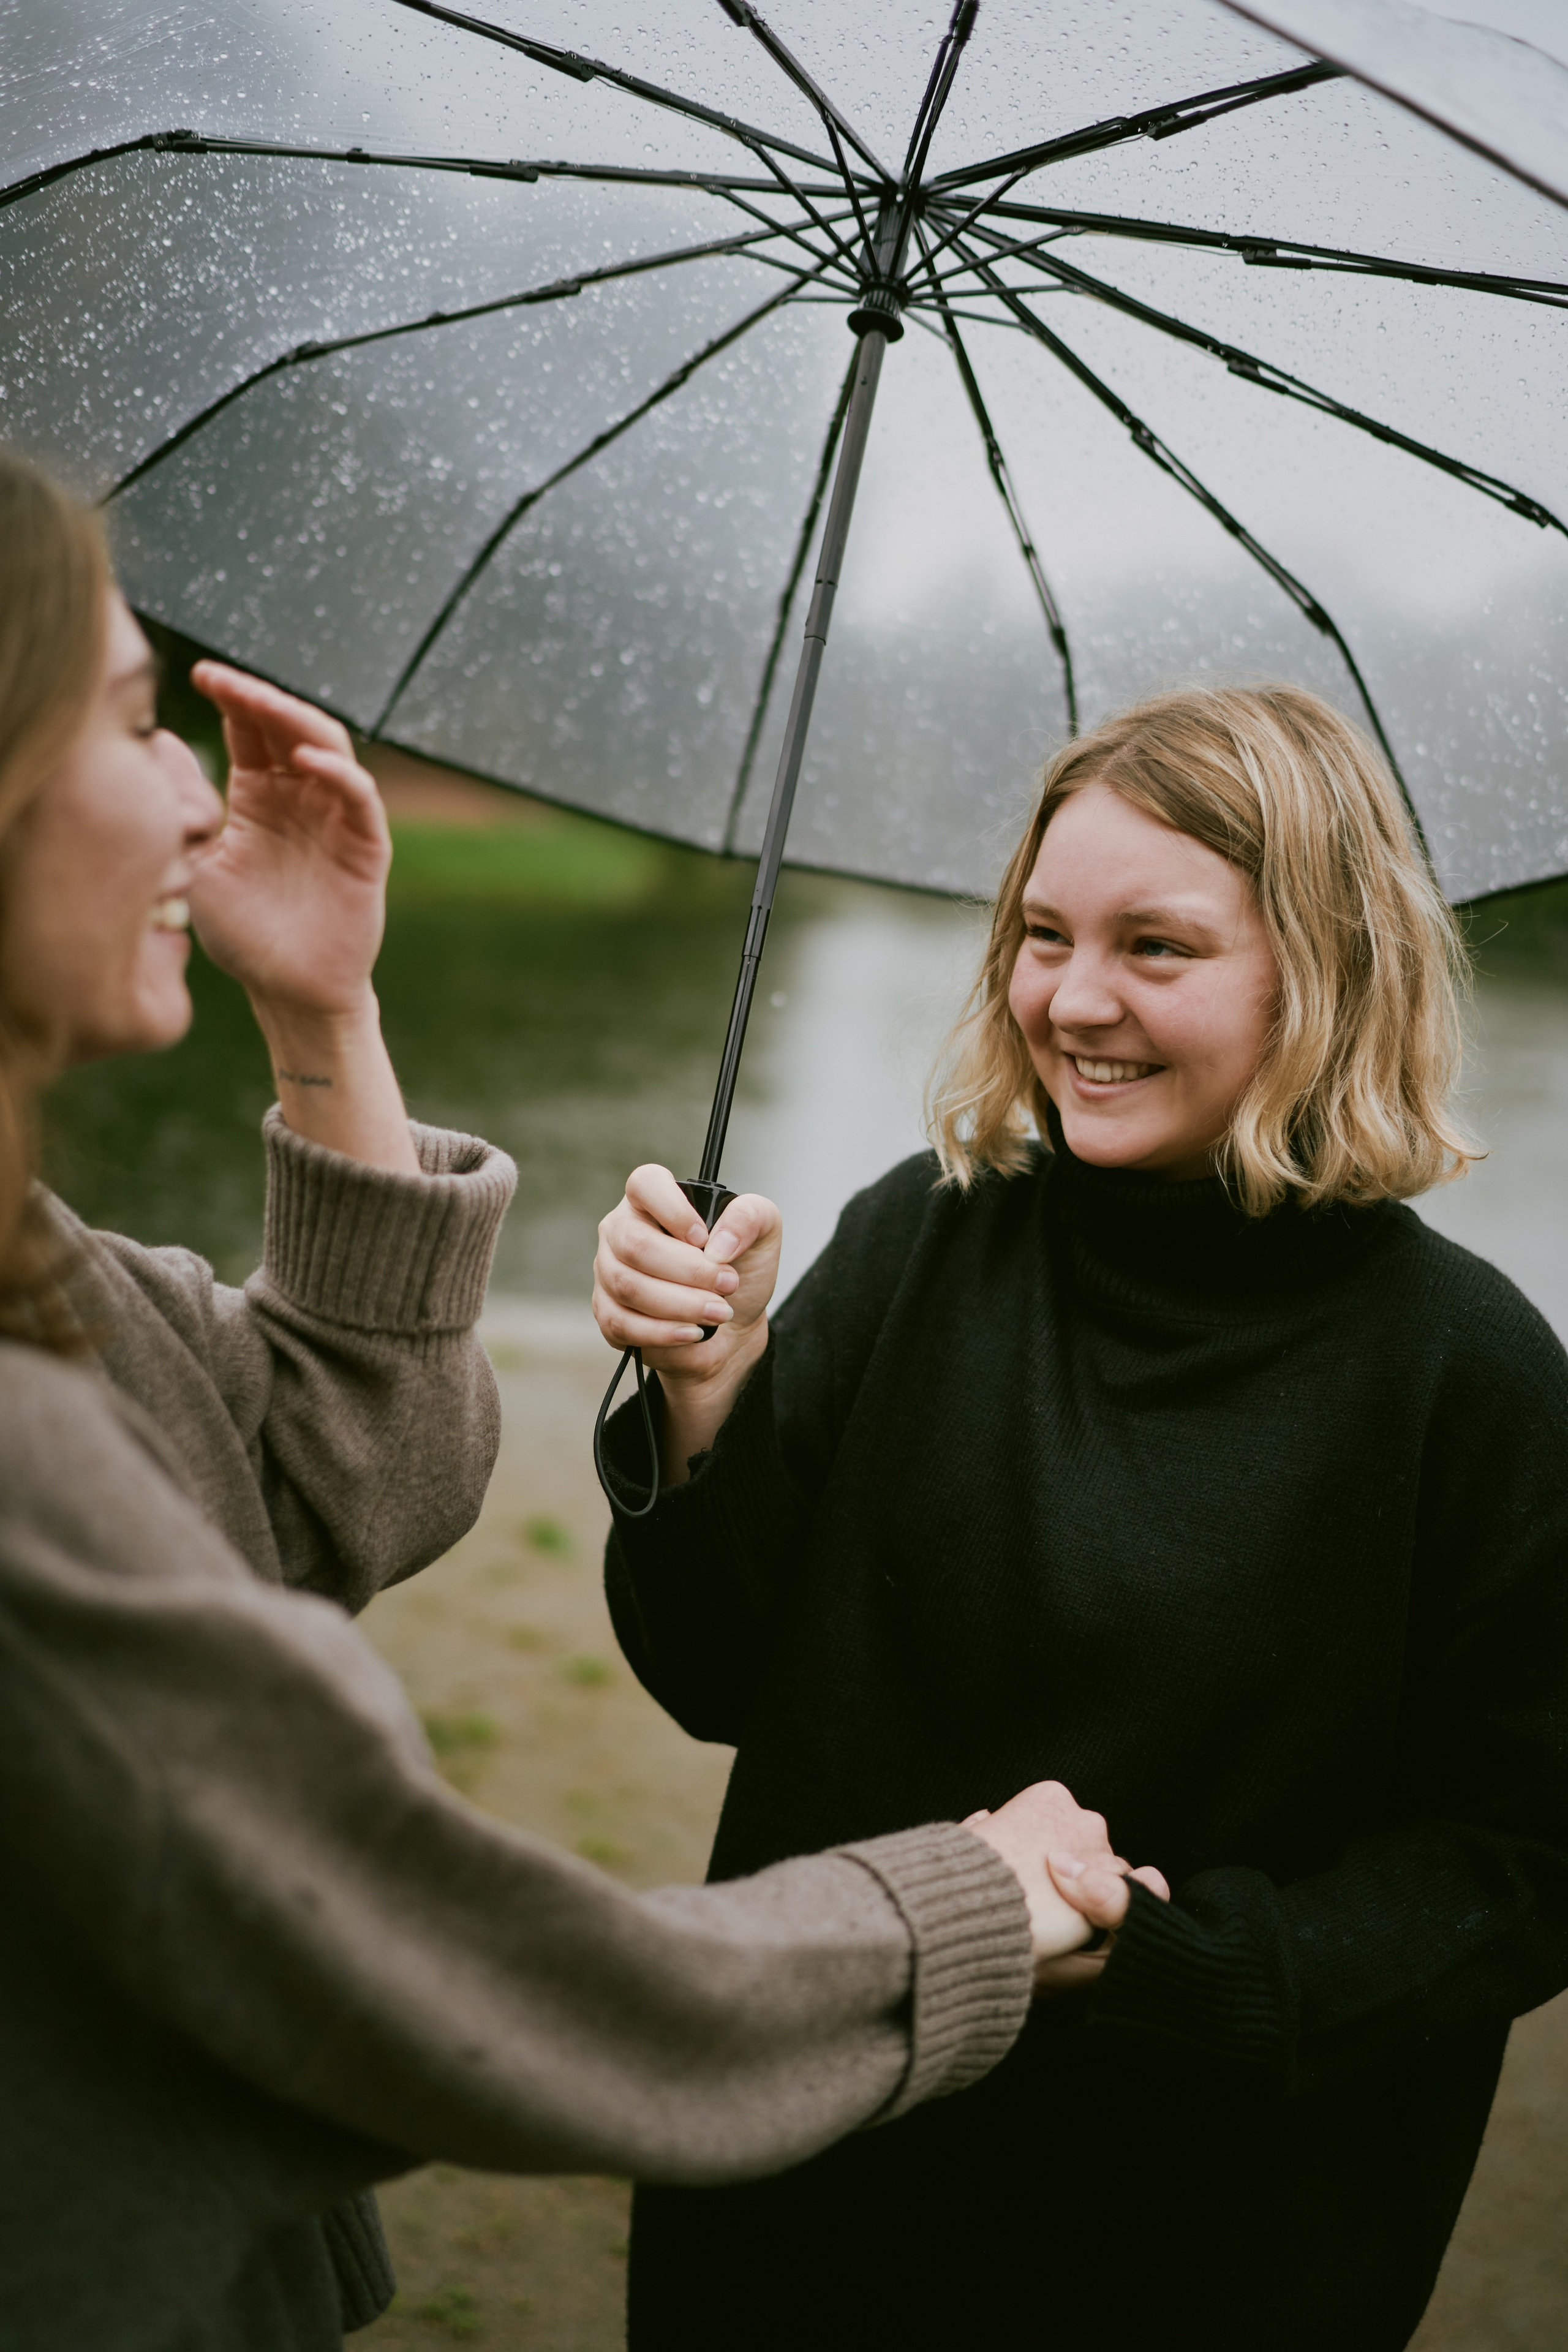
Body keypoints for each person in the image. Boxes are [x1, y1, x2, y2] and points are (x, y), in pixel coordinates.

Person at [0, 448, 1149, 2352]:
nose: (195, 803)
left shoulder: (36, 1277)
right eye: (133, 718)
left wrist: (323, 1014)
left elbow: (335, 1483)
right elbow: (463, 1976)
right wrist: (968, 1900)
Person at [594, 683, 1568, 2351]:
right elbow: (715, 1673)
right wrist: (706, 1401)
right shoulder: (922, 1239)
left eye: (1157, 947)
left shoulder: (1469, 1377)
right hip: (811, 2155)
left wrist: (1166, 1962)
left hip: (1210, 2237)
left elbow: (1522, 1865)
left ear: (1325, 971)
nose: (1074, 999)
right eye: (1044, 934)